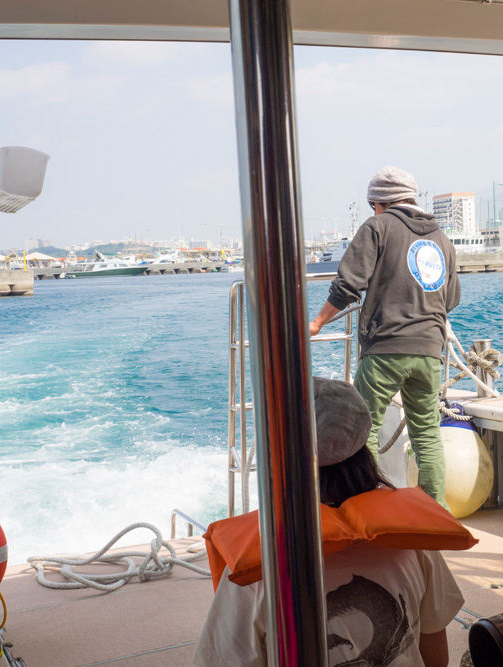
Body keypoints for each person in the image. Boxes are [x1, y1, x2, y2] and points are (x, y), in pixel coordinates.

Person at [195, 377, 472, 667]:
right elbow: (434, 649)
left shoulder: (257, 571)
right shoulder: (414, 542)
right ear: (365, 443)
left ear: (280, 456)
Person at [309, 166, 461, 509]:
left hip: (386, 349)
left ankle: (366, 509)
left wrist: (318, 322)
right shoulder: (442, 239)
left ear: (380, 202)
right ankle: (436, 511)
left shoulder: (377, 227)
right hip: (429, 351)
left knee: (363, 432)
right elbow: (451, 299)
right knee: (427, 435)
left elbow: (348, 284)